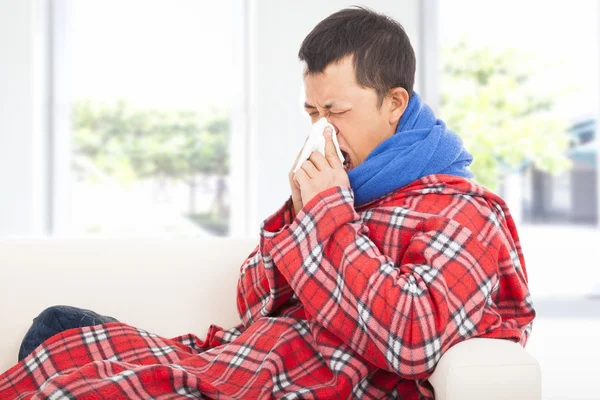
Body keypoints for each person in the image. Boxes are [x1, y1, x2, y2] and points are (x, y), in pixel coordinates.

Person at [1, 7, 534, 399]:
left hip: (303, 376)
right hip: (245, 353)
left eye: (336, 110)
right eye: (311, 112)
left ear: (394, 103)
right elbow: (253, 300)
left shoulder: (465, 211)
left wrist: (328, 215)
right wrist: (301, 214)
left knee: (69, 375)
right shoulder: (341, 189)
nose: (322, 128)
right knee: (57, 326)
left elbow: (413, 337)